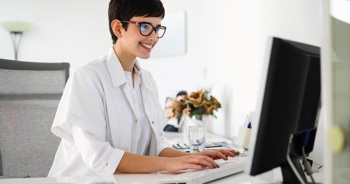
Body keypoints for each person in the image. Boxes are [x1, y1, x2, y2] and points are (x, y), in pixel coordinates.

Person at [48, 0, 237, 177]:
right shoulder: (88, 78)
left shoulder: (147, 80)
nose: (154, 37)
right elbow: (99, 156)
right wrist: (166, 164)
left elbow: (157, 146)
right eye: (145, 27)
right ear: (118, 28)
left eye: (157, 28)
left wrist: (195, 157)